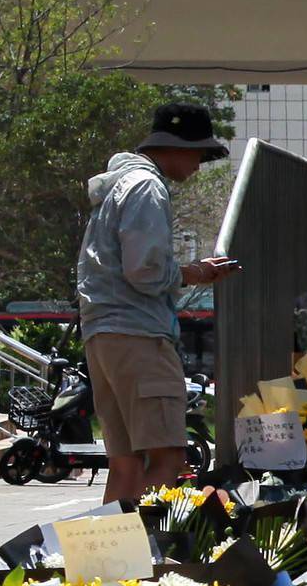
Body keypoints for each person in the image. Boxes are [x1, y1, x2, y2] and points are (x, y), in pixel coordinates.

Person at [76, 100, 237, 504]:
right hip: (139, 335)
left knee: (125, 463)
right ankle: (150, 552)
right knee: (168, 456)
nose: (199, 165)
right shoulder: (147, 187)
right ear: (176, 148)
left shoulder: (117, 184)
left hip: (103, 333)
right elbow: (145, 271)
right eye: (199, 153)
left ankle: (109, 562)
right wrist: (194, 272)